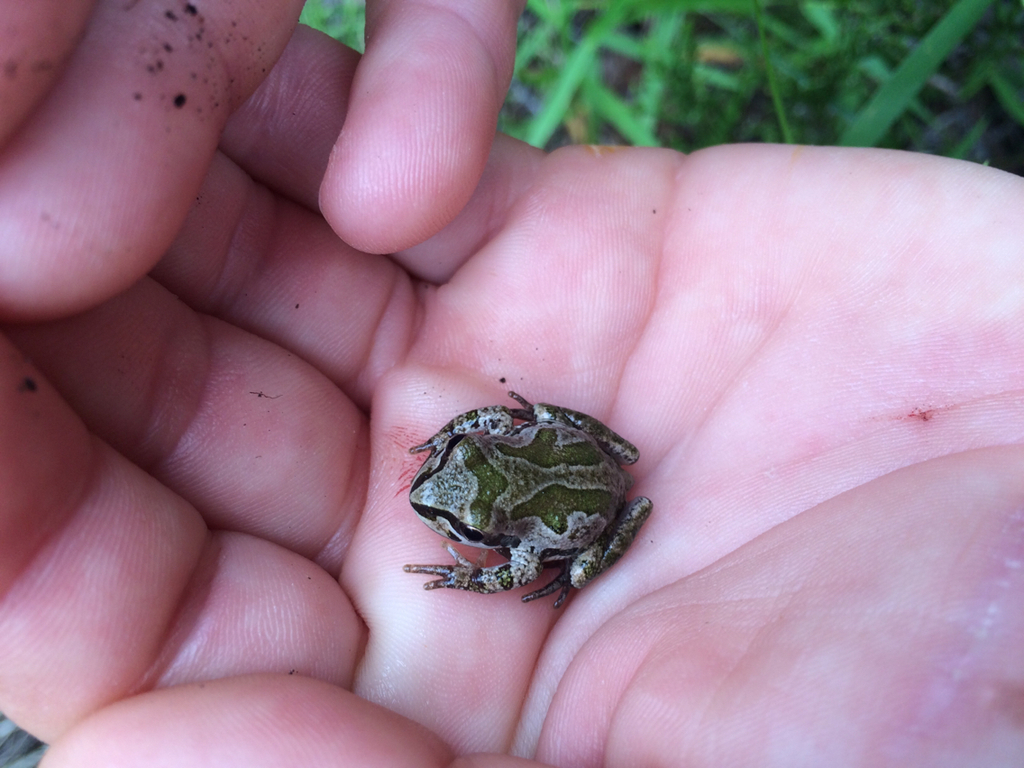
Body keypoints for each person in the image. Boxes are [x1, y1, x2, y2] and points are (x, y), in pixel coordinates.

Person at [2, 3, 1023, 765]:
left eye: (453, 500)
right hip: (570, 456)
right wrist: (497, 446)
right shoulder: (476, 451)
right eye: (454, 481)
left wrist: (465, 571)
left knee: (566, 572)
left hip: (576, 512)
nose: (435, 492)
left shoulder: (500, 536)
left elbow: (513, 572)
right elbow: (481, 441)